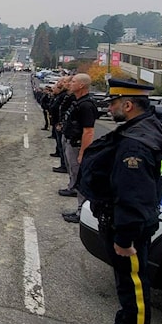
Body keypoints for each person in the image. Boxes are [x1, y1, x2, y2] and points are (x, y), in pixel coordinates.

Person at [76, 78, 162, 324]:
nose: (109, 107)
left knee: (134, 286)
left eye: (113, 102)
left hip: (129, 229)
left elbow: (133, 196)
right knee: (127, 285)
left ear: (129, 104)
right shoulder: (152, 128)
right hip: (133, 223)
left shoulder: (136, 144)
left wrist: (124, 239)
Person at [59, 73, 99, 221]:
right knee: (74, 175)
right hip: (71, 142)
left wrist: (83, 152)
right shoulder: (78, 102)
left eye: (73, 81)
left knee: (80, 179)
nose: (70, 83)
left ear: (81, 85)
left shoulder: (86, 105)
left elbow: (88, 131)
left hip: (77, 146)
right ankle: (79, 209)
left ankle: (82, 213)